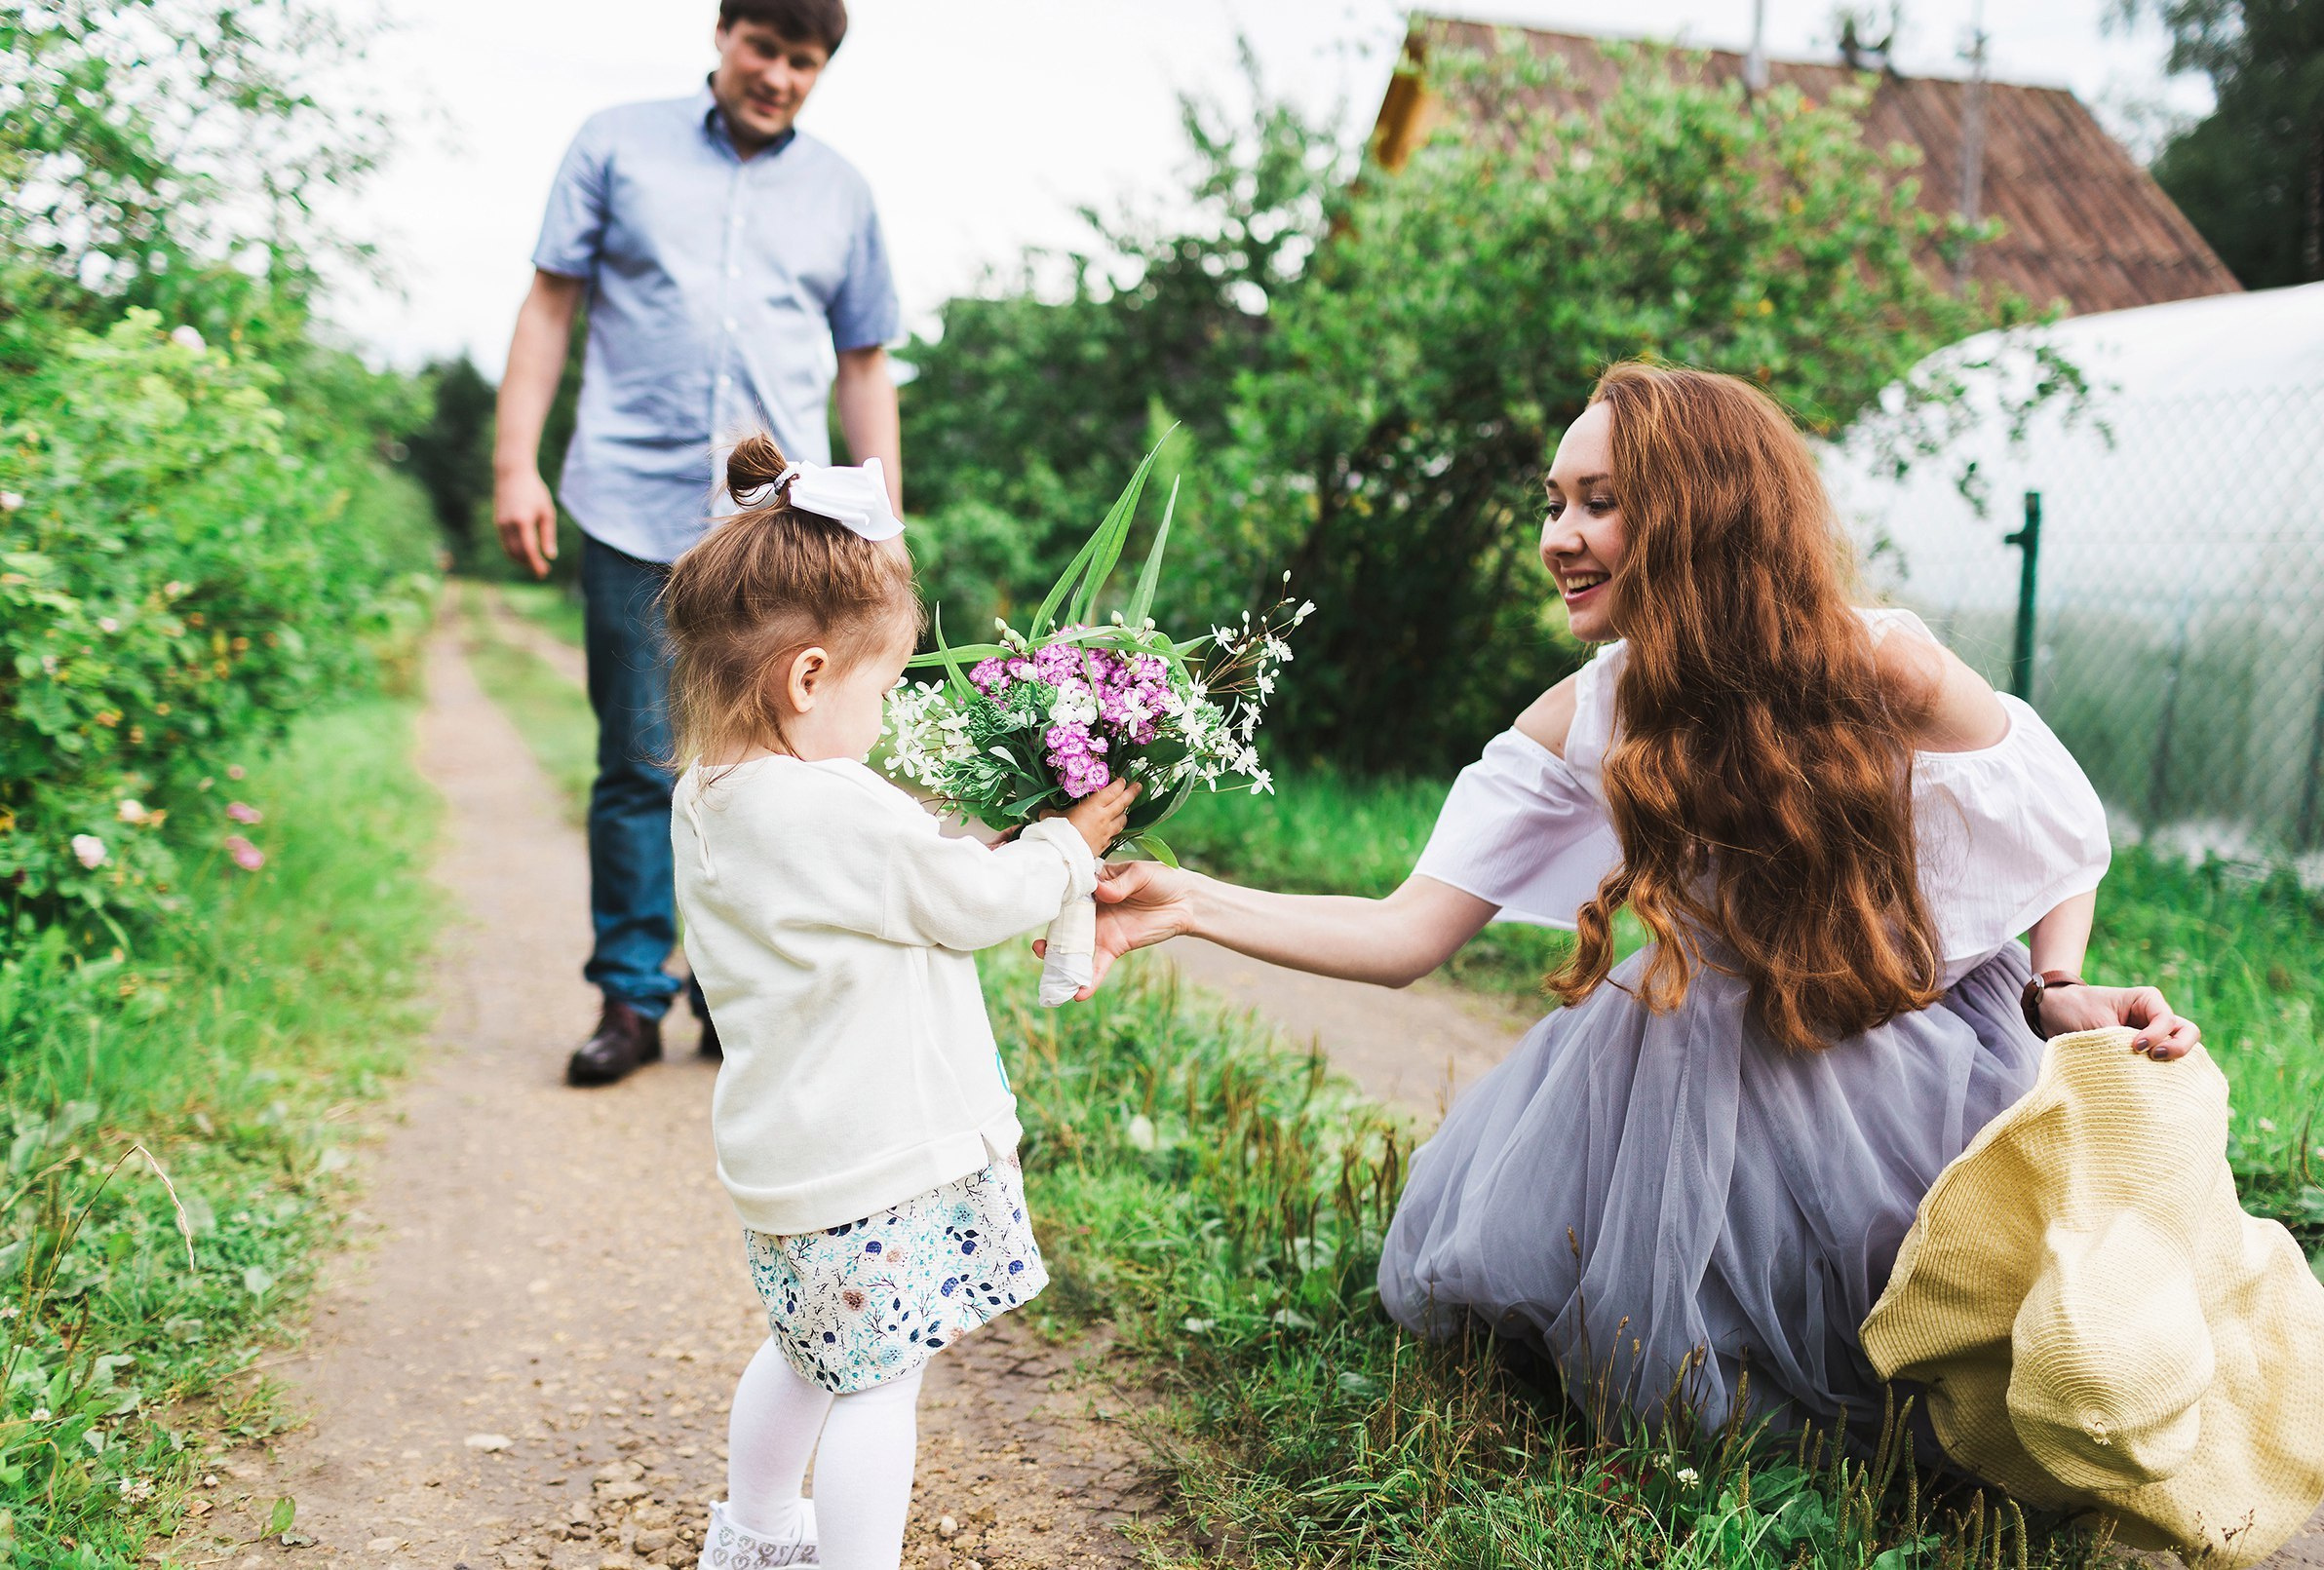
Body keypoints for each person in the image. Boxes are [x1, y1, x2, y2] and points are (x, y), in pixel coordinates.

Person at [1071, 362, 2201, 1448]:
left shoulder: (1882, 666)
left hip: (1891, 1042)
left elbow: (2055, 824)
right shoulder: (1583, 717)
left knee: (1951, 1328)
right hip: (1696, 1054)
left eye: (1599, 504)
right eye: (1554, 503)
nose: (1559, 535)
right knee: (1681, 1375)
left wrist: (2056, 990)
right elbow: (1402, 932)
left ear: (1701, 516)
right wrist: (1189, 903)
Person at [661, 432, 1139, 1569]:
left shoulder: (709, 797)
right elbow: (967, 901)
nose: (883, 716)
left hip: (789, 1165)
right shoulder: (836, 809)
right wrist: (1067, 848)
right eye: (880, 685)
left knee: (802, 1352)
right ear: (809, 677)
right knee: (882, 1385)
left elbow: (898, 891)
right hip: (880, 1161)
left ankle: (759, 1535)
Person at [492, 0, 903, 1085]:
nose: (778, 75)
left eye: (802, 61)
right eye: (764, 48)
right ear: (726, 37)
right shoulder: (615, 142)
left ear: (821, 71)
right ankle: (630, 1001)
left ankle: (737, 997)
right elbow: (548, 305)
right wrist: (512, 463)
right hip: (628, 500)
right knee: (636, 759)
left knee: (774, 764)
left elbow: (863, 361)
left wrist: (882, 517)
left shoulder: (842, 195)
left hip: (780, 531)